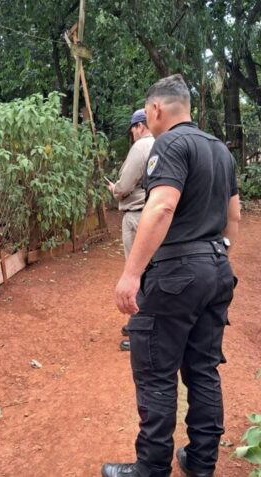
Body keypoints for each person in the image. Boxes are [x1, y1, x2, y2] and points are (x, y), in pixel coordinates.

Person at [102, 74, 241, 477]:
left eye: (147, 112)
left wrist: (131, 274)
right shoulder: (220, 150)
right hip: (217, 268)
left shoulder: (170, 144)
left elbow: (161, 207)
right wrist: (217, 256)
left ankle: (151, 468)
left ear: (156, 109)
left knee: (156, 371)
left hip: (176, 272)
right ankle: (200, 464)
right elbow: (234, 216)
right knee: (202, 368)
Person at [107, 108, 155, 352]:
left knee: (137, 271)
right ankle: (137, 323)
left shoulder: (141, 147)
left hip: (136, 215)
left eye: (133, 128)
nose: (133, 134)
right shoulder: (161, 143)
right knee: (148, 269)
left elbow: (125, 185)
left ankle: (140, 328)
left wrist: (114, 189)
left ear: (140, 126)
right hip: (152, 216)